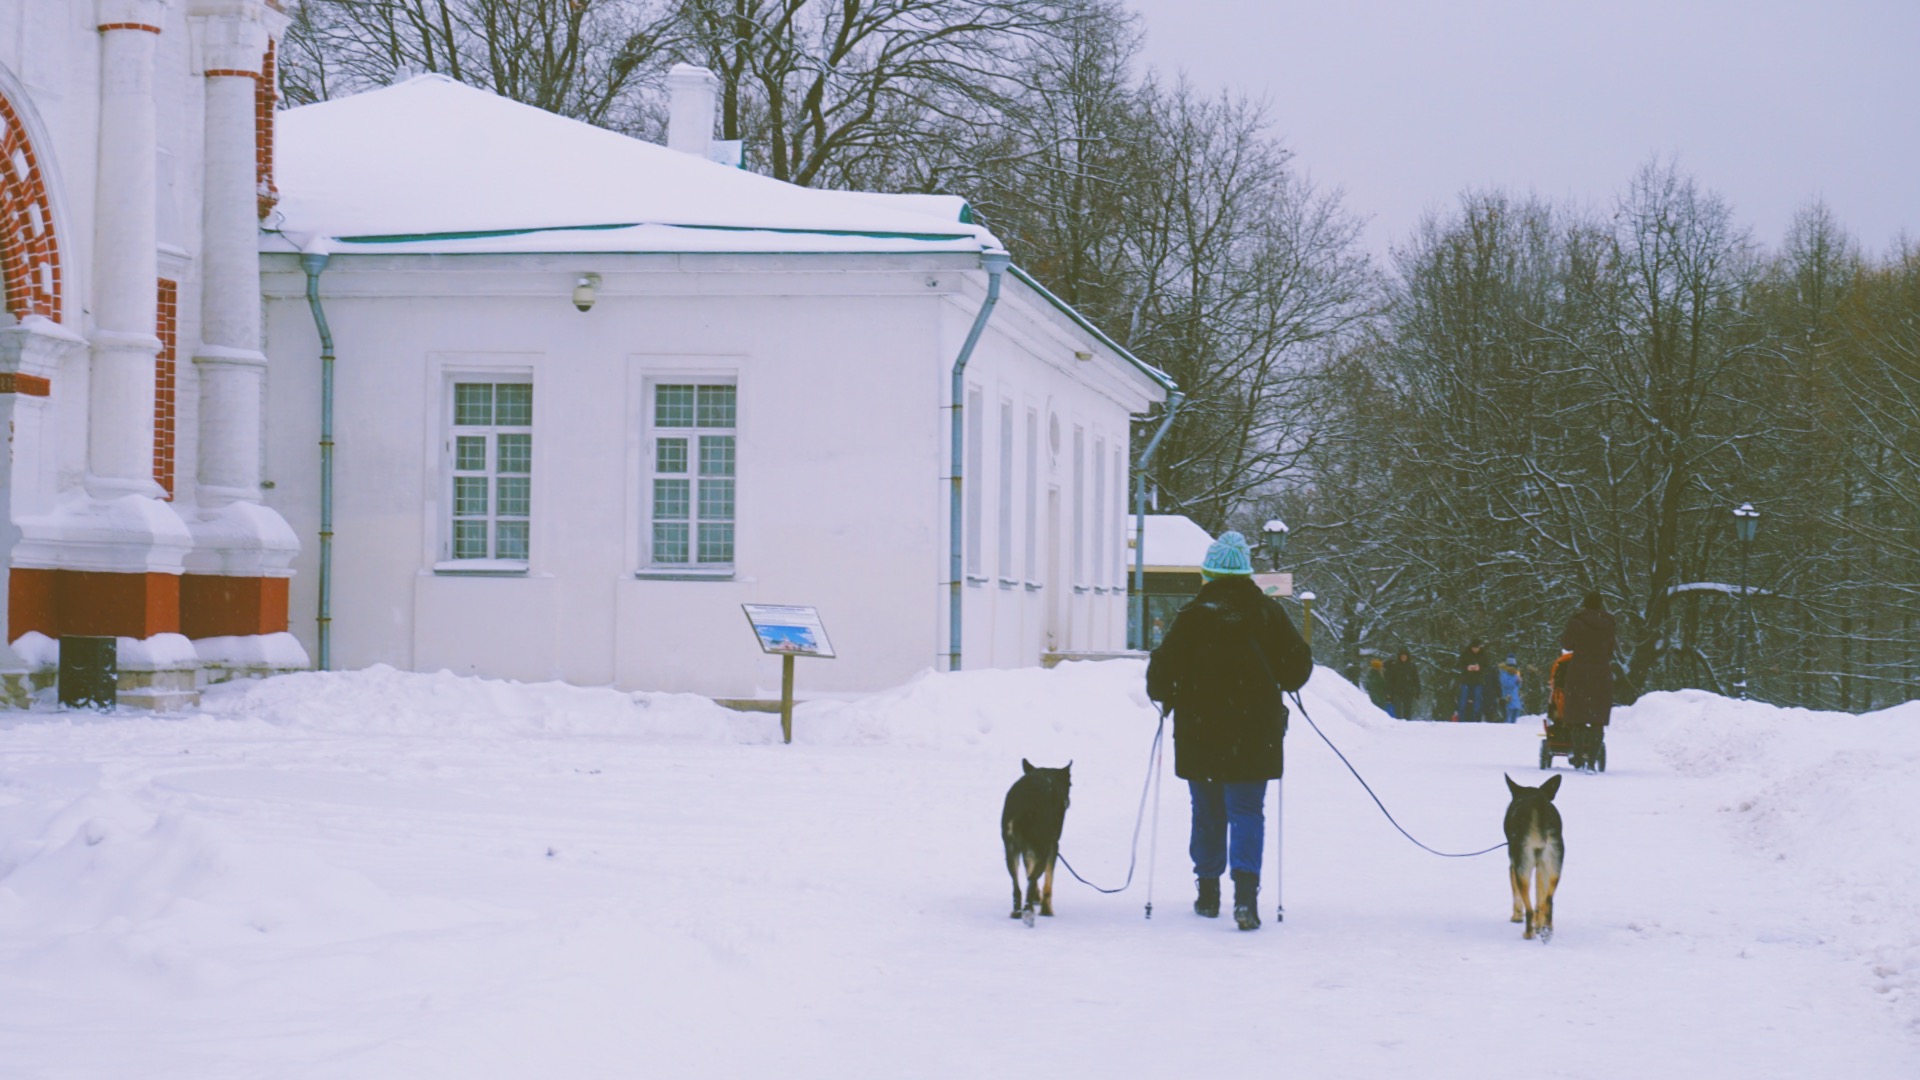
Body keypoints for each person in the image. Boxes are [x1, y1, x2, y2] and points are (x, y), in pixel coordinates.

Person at [1146, 531, 1312, 931]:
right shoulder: (1268, 614)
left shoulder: (1191, 617)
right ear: (1247, 574)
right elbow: (1296, 671)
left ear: (1208, 574)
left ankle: (1207, 892)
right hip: (1255, 733)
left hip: (1200, 731)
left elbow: (1159, 681)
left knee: (1207, 812)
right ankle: (1245, 897)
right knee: (1246, 811)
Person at [1560, 591, 1617, 768]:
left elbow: (1566, 644)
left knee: (1577, 716)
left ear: (1585, 604)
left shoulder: (1577, 621)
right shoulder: (1609, 622)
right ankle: (1591, 761)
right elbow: (1611, 648)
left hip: (1580, 672)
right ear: (1601, 605)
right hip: (1600, 673)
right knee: (1597, 719)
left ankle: (1577, 758)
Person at [1456, 640, 1493, 722]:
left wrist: (1480, 669)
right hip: (1466, 680)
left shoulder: (1483, 655)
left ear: (1479, 647)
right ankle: (1461, 720)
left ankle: (1476, 720)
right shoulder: (1465, 654)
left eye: (1477, 648)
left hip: (1478, 681)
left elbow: (1488, 668)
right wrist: (1467, 667)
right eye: (1473, 648)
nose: (1475, 649)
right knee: (1462, 701)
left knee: (1477, 701)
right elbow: (1459, 665)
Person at [1383, 650, 1420, 720]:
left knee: (1408, 709)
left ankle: (1407, 724)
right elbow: (1390, 680)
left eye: (1405, 656)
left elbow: (1416, 679)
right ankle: (1399, 724)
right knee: (1397, 709)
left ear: (1407, 657)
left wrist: (1418, 690)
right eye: (1402, 656)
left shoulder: (1412, 666)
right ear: (1399, 657)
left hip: (1409, 690)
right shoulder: (1395, 666)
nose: (1403, 657)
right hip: (1397, 690)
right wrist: (1388, 691)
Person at [1498, 654, 1524, 724]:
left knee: (1515, 715)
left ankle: (1512, 728)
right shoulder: (1503, 673)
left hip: (1515, 698)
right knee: (1508, 716)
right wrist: (1515, 678)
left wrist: (1519, 681)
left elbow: (1518, 686)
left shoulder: (1515, 673)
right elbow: (1507, 684)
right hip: (1508, 697)